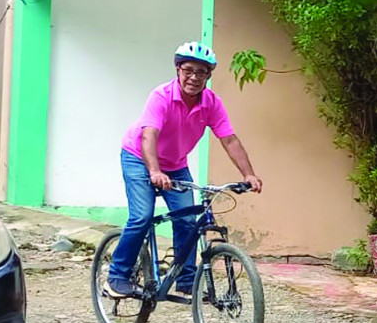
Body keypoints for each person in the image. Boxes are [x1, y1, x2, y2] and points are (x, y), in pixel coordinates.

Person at [106, 41, 262, 298]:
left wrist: (249, 174)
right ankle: (117, 276)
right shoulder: (161, 96)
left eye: (201, 72)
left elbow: (229, 140)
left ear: (209, 75)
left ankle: (186, 281)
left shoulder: (211, 103)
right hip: (138, 157)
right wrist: (154, 171)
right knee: (142, 216)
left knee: (188, 221)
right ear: (178, 69)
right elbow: (149, 135)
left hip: (176, 164)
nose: (194, 77)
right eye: (188, 70)